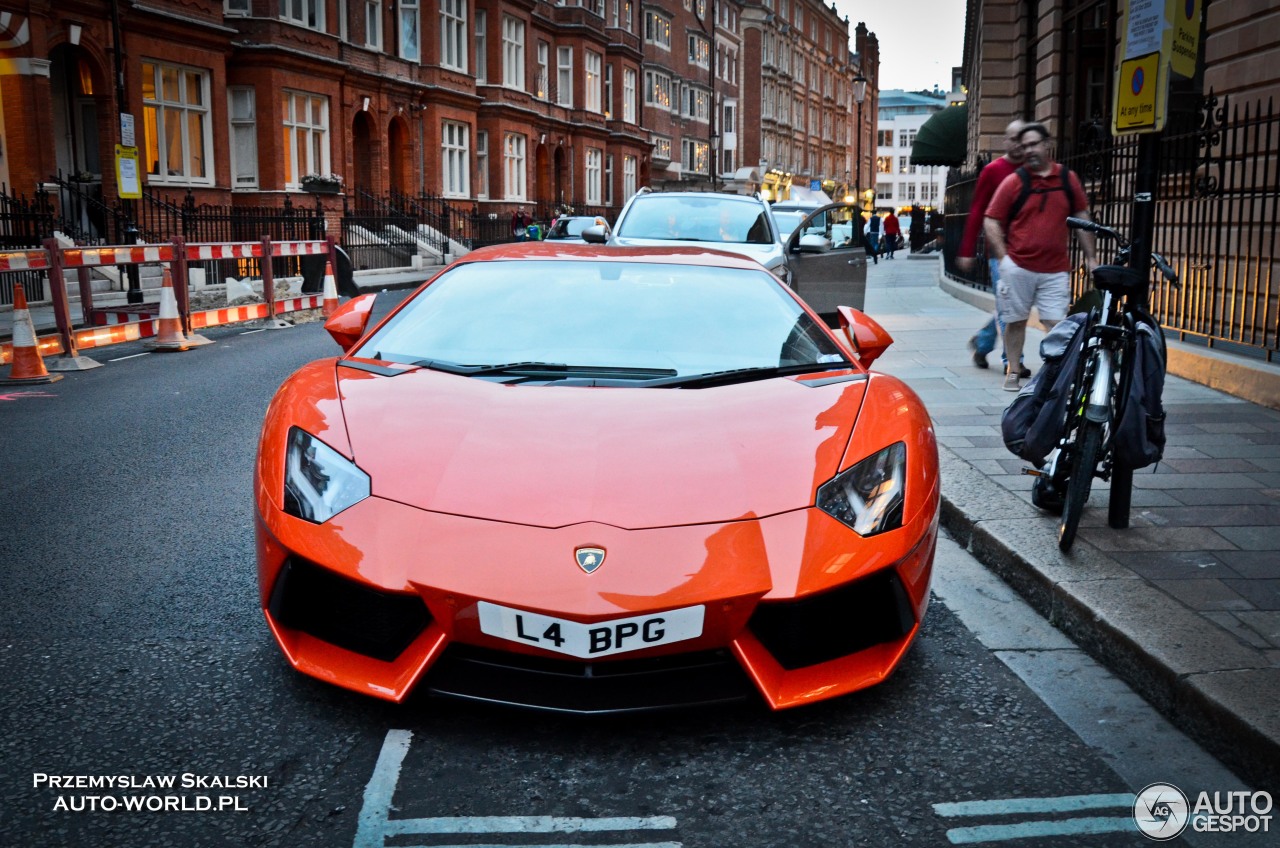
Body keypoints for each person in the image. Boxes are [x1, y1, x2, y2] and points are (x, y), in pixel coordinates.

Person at [984, 122, 1098, 391]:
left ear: (1047, 145)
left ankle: (1060, 372)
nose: (1029, 150)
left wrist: (1091, 258)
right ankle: (1013, 370)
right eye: (1024, 147)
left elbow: (1082, 217)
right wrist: (1004, 259)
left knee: (1056, 323)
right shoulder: (1015, 181)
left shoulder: (1067, 179)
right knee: (1015, 321)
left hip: (1055, 269)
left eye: (1034, 144)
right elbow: (991, 220)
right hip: (1018, 266)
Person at [958, 119, 1028, 374]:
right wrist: (966, 250)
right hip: (999, 252)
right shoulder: (993, 171)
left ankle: (983, 340)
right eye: (1013, 138)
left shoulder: (1034, 171)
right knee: (1009, 304)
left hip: (1028, 253)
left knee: (1015, 305)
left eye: (1023, 138)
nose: (1018, 143)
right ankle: (1013, 360)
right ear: (1005, 141)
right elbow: (977, 211)